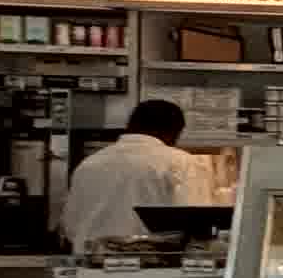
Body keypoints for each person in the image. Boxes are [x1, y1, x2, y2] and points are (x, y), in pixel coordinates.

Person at [60, 100, 207, 253]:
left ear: (130, 126)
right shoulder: (182, 161)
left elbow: (70, 227)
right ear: (174, 131)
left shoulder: (88, 164)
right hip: (153, 263)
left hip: (89, 262)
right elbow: (198, 222)